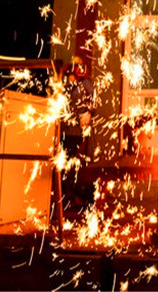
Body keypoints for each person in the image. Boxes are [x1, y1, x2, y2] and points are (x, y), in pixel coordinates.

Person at [60, 56, 94, 209]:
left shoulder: (85, 83)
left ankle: (74, 195)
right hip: (66, 129)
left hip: (78, 131)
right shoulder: (68, 82)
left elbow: (92, 101)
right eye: (74, 66)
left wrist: (88, 114)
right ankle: (66, 194)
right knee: (64, 162)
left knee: (74, 162)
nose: (77, 69)